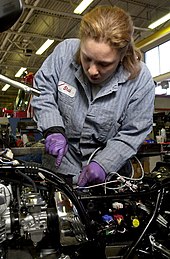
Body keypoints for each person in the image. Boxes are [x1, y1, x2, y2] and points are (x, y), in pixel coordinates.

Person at [31, 5, 155, 187]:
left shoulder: (140, 80)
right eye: (86, 58)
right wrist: (53, 128)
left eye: (104, 64)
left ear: (122, 55)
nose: (92, 70)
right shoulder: (63, 53)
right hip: (60, 171)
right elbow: (42, 91)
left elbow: (133, 131)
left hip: (109, 178)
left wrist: (104, 163)